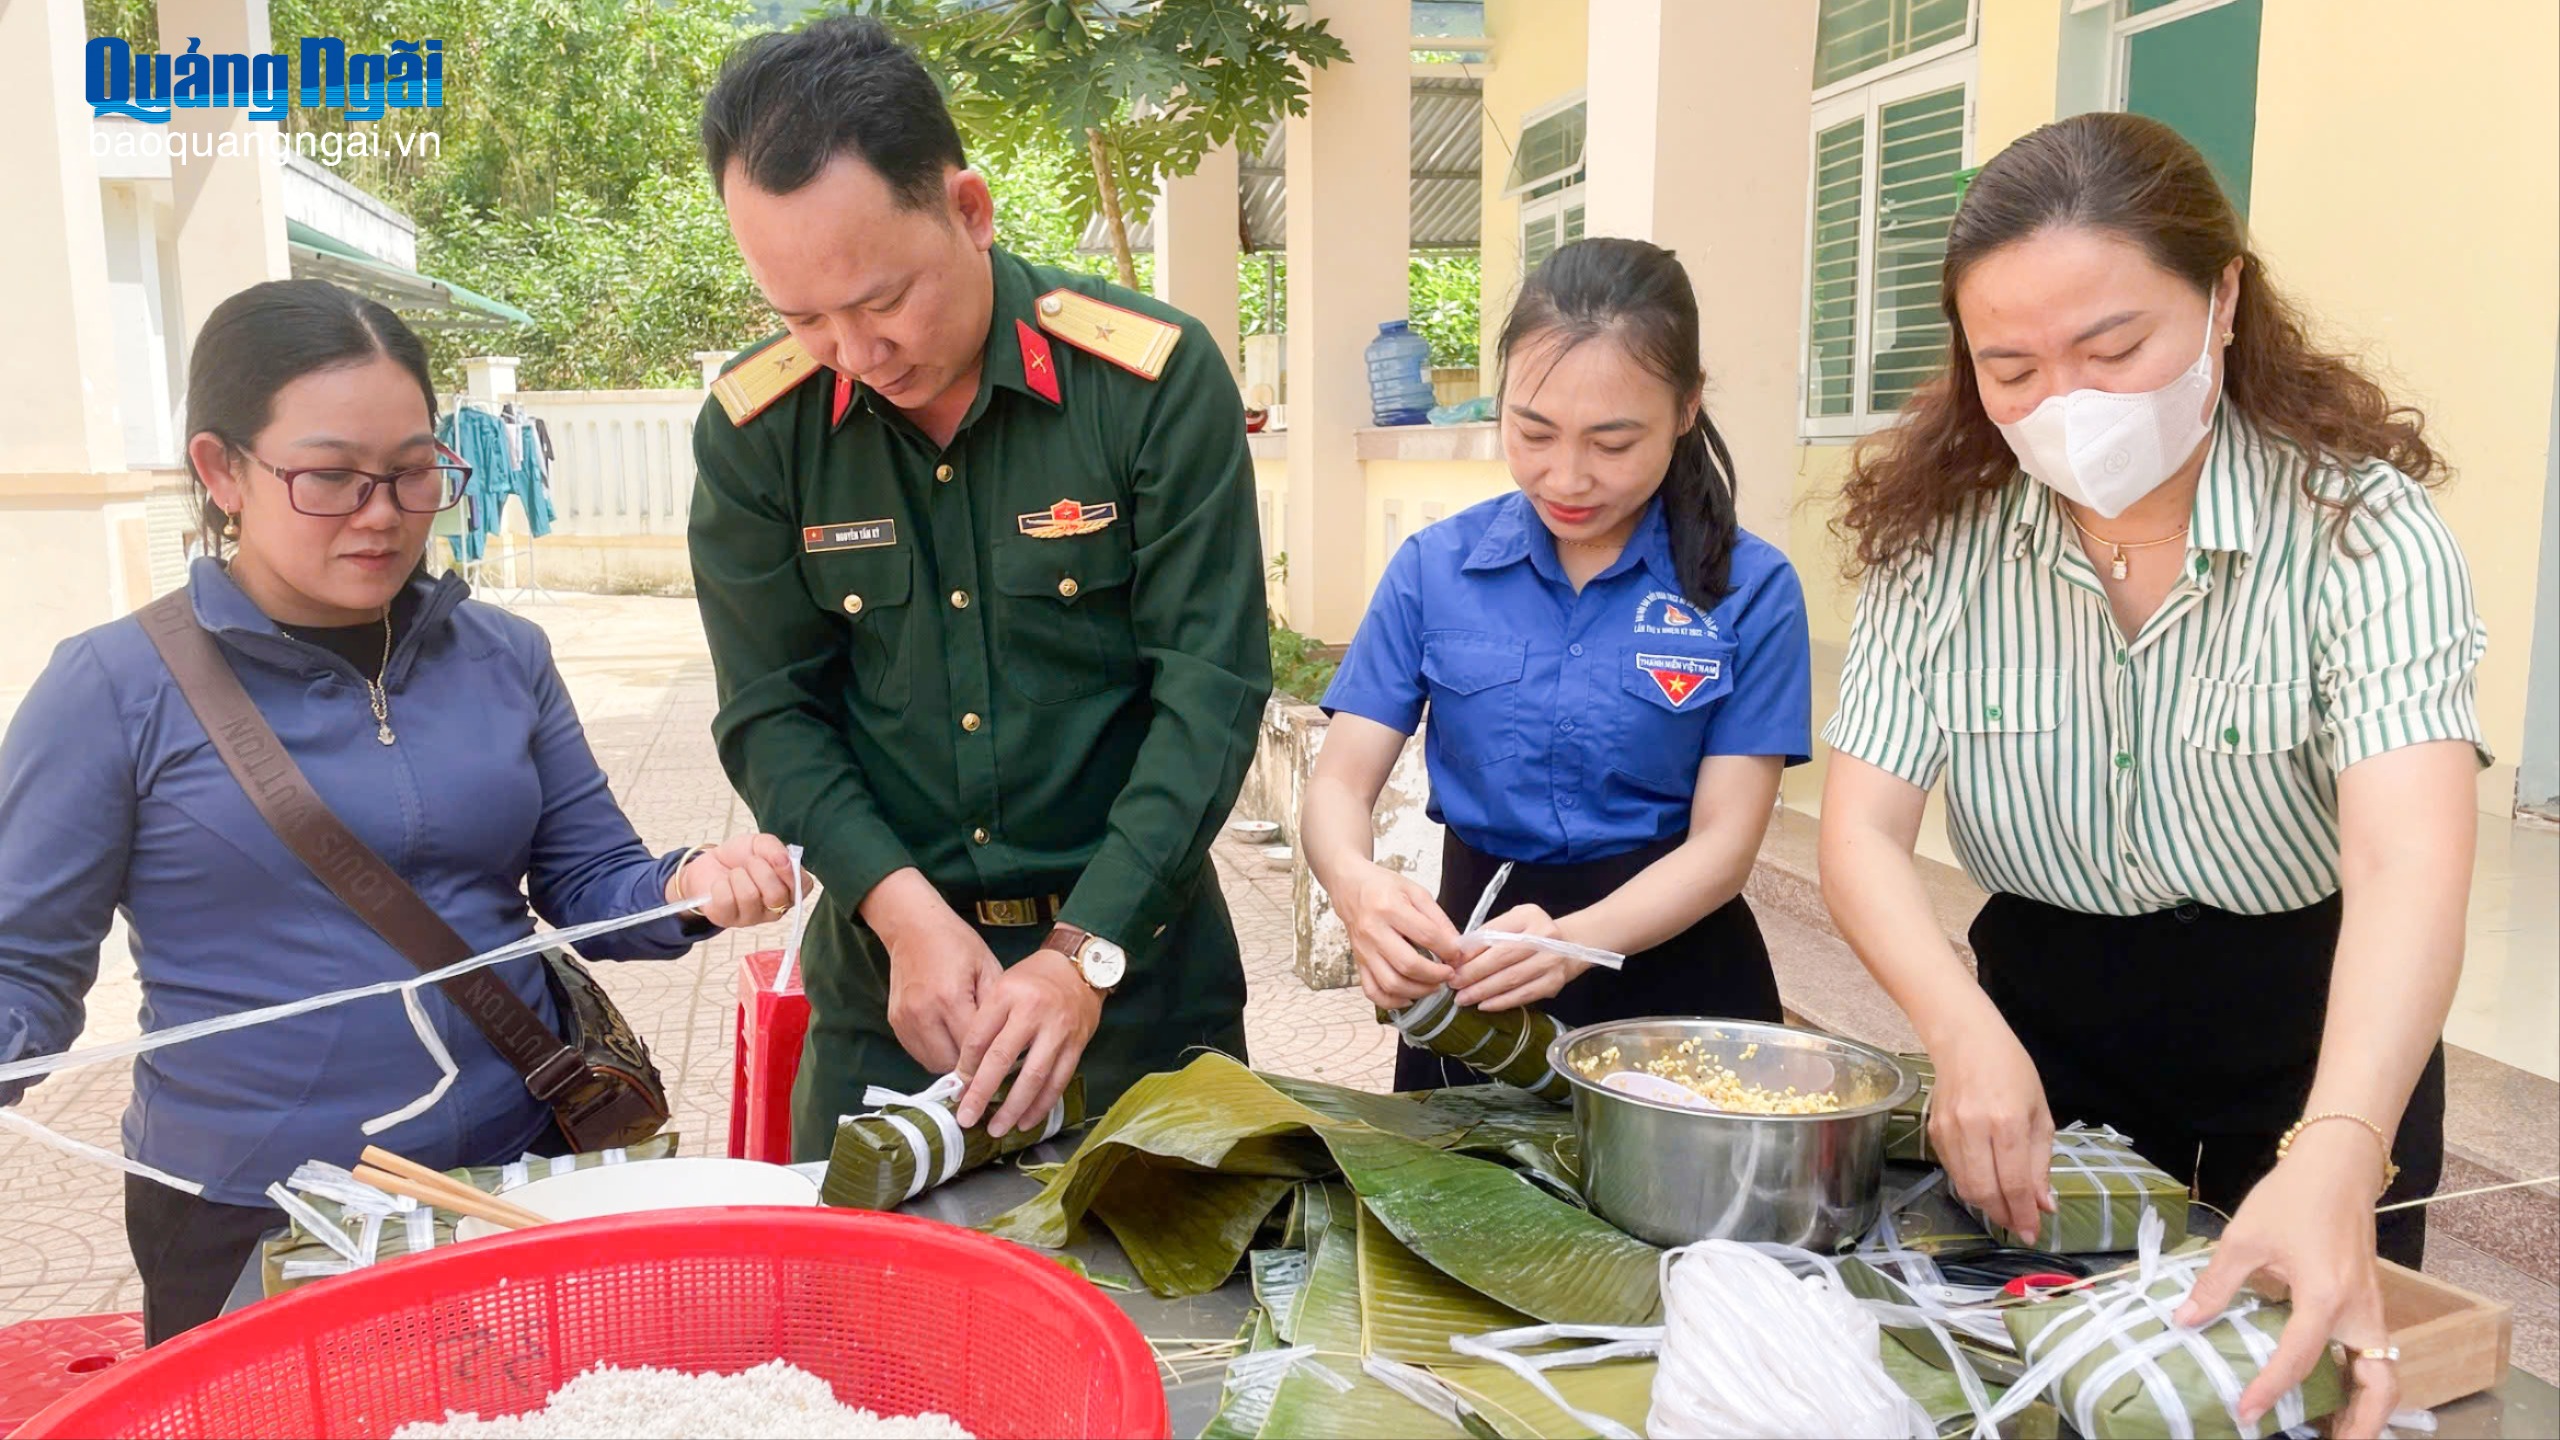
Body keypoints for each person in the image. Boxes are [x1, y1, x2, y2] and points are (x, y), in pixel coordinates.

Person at [1818, 113, 2482, 1437]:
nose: (2067, 403)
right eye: (2011, 367)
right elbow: (1860, 833)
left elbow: (2406, 860)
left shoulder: (2359, 534)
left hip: (2317, 1025)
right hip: (2043, 1025)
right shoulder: (1941, 548)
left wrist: (2342, 1147)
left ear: (2224, 296)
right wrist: (1960, 1030)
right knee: (2045, 1382)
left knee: (2288, 1384)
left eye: (2114, 347)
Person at [0, 279, 792, 1342]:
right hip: (254, 1210)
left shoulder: (504, 656)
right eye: (330, 478)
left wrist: (695, 886)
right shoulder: (111, 687)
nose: (383, 514)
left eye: (414, 474)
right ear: (220, 470)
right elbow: (23, 968)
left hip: (515, 1177)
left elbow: (593, 882)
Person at [687, 18, 1271, 1150]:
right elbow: (772, 713)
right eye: (802, 319)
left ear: (968, 210)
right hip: (895, 990)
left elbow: (1208, 692)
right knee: (864, 1317)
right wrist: (902, 917)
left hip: (1137, 967)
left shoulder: (1148, 382)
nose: (853, 352)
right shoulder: (759, 432)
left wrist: (1082, 954)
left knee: (1173, 1322)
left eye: (880, 300)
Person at [1304, 238, 1812, 1085]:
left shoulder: (1747, 587)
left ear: (1686, 410)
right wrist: (1356, 886)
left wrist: (1581, 938)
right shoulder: (1435, 569)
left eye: (1613, 443)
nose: (1567, 476)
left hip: (1674, 980)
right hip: (1479, 972)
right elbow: (1339, 784)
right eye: (1533, 432)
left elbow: (1726, 842)